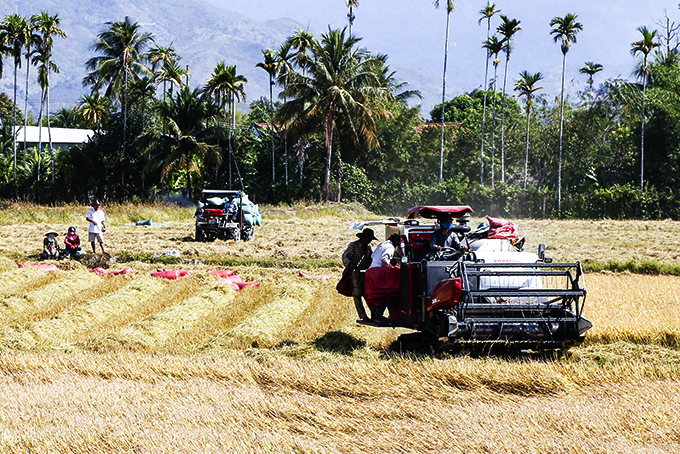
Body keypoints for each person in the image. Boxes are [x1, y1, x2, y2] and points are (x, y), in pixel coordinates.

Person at [342, 228, 377, 322]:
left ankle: (375, 315)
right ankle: (363, 316)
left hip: (365, 274)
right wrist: (349, 264)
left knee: (368, 294)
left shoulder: (368, 248)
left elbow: (371, 258)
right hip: (355, 273)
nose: (369, 241)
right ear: (363, 238)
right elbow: (345, 256)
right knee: (357, 294)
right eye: (368, 238)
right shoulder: (353, 245)